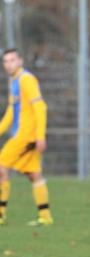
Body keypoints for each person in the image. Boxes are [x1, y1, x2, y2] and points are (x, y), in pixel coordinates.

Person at [0, 48, 52, 226]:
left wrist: (40, 136)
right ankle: (45, 216)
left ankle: (0, 214)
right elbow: (10, 112)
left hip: (25, 135)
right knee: (34, 174)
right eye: (6, 61)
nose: (9, 64)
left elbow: (40, 107)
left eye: (12, 60)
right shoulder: (13, 81)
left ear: (20, 61)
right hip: (23, 134)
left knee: (1, 167)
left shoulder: (26, 79)